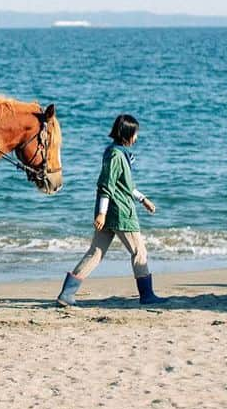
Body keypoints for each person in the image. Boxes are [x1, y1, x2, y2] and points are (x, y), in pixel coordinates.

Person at [56, 114, 167, 306]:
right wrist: (102, 213)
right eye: (135, 133)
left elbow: (125, 185)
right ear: (127, 133)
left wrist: (143, 200)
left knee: (96, 252)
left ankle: (67, 294)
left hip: (111, 212)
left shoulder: (114, 152)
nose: (136, 138)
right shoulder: (116, 155)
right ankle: (147, 295)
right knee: (139, 251)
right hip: (120, 213)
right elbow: (106, 185)